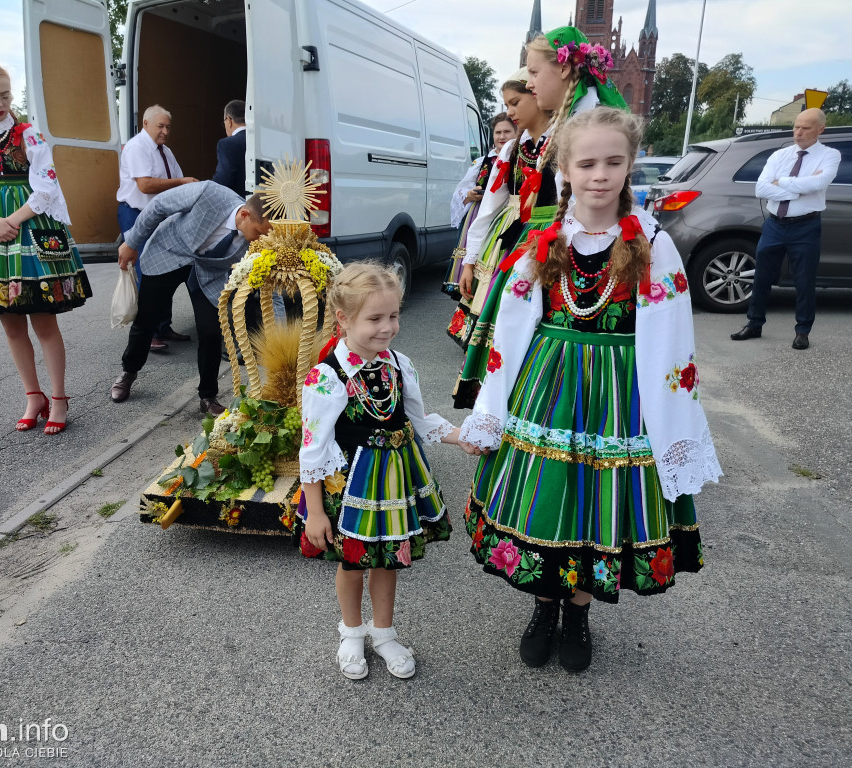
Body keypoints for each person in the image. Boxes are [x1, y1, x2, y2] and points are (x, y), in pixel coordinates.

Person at [459, 107, 722, 674]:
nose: (599, 174)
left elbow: (675, 340)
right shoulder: (544, 239)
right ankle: (543, 604)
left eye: (613, 162)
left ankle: (579, 612)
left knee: (597, 504)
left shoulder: (653, 243)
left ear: (629, 168)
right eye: (587, 163)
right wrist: (491, 408)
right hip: (550, 382)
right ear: (566, 170)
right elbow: (509, 326)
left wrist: (670, 424)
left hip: (621, 391)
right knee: (549, 494)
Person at [294, 263, 468, 681]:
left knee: (388, 559)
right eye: (374, 319)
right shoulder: (326, 377)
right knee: (353, 562)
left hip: (394, 482)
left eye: (393, 316)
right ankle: (351, 632)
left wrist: (460, 435)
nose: (387, 327)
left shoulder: (399, 364)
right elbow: (312, 449)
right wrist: (315, 512)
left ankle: (384, 632)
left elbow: (419, 419)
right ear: (343, 319)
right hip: (351, 486)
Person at [450, 29, 628, 409]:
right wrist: (470, 258)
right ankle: (511, 406)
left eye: (532, 76)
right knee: (514, 327)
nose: (529, 88)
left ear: (563, 70)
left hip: (560, 241)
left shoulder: (582, 126)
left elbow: (581, 207)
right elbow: (490, 205)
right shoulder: (520, 146)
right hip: (529, 239)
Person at [0, 62, 92, 435]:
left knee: (44, 319)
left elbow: (46, 186)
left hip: (31, 225)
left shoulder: (30, 135)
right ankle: (33, 395)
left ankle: (58, 398)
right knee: (10, 324)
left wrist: (12, 220)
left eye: (6, 95)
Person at [110, 182, 271, 413]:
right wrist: (132, 242)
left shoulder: (257, 240)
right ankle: (129, 371)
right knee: (147, 319)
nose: (258, 241)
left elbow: (267, 286)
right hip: (169, 252)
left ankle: (208, 397)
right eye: (257, 232)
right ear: (244, 215)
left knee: (212, 332)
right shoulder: (209, 193)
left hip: (208, 273)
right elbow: (158, 206)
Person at [447, 73, 549, 357]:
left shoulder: (560, 143)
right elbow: (488, 208)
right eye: (507, 105)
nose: (510, 112)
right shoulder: (510, 152)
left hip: (550, 236)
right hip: (511, 234)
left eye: (515, 102)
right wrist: (469, 261)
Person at [731, 108, 840, 350]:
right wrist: (801, 187)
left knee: (804, 280)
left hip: (805, 226)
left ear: (820, 129)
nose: (798, 132)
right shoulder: (780, 155)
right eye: (796, 126)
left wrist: (782, 182)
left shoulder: (829, 156)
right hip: (774, 224)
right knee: (762, 277)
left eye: (806, 128)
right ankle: (754, 324)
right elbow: (761, 189)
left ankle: (802, 331)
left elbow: (820, 182)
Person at [116, 105, 199, 352]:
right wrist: (182, 182)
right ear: (145, 124)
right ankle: (147, 333)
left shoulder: (166, 151)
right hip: (136, 215)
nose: (165, 131)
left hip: (158, 216)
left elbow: (176, 185)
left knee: (165, 269)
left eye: (168, 127)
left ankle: (162, 326)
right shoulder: (137, 147)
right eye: (160, 126)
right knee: (146, 272)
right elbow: (145, 185)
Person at [442, 111, 516, 298]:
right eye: (497, 132)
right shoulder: (482, 162)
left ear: (516, 132)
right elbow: (460, 194)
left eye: (507, 131)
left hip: (507, 215)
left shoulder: (519, 159)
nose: (501, 136)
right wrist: (470, 195)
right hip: (478, 214)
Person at [211, 99, 247, 197]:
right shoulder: (260, 142)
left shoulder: (227, 144)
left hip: (238, 206)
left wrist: (204, 188)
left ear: (229, 120)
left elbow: (223, 181)